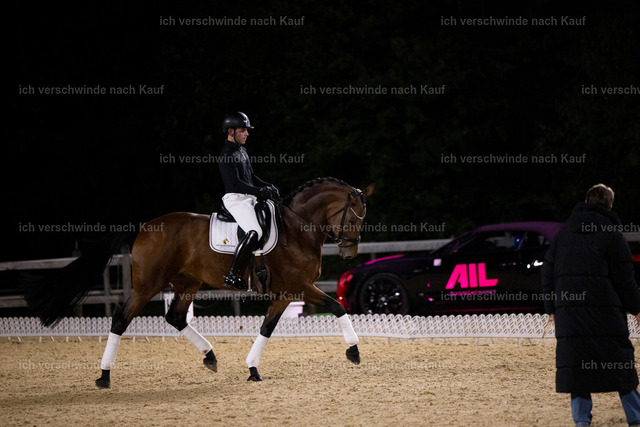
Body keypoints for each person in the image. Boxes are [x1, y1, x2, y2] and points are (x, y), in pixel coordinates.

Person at [542, 183, 640, 426]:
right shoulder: (612, 235)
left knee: (576, 366)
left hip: (569, 315)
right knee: (620, 364)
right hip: (605, 313)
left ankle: (581, 421)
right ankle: (636, 416)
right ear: (610, 206)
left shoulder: (563, 235)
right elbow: (625, 279)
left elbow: (547, 272)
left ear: (586, 202)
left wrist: (551, 308)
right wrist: (637, 308)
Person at [218, 112, 279, 289]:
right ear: (231, 131)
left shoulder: (242, 151)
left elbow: (251, 177)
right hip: (235, 199)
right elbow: (235, 184)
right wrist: (259, 191)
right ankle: (233, 274)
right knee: (254, 231)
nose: (247, 134)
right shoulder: (226, 154)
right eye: (243, 130)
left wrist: (268, 186)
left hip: (248, 197)